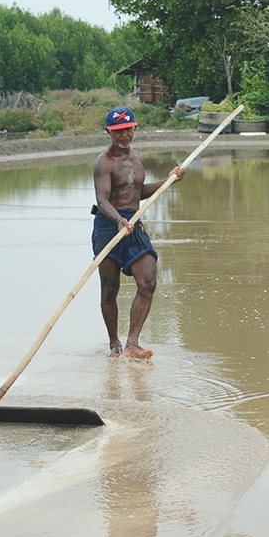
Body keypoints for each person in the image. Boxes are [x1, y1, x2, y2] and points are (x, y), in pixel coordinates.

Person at [93, 106, 185, 358]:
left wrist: (169, 180)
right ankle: (115, 344)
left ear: (135, 128)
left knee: (148, 282)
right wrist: (119, 221)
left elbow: (138, 192)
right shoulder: (104, 163)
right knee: (110, 289)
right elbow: (103, 200)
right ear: (109, 132)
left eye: (128, 130)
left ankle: (132, 343)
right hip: (108, 225)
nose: (124, 136)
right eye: (118, 131)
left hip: (135, 224)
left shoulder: (139, 158)